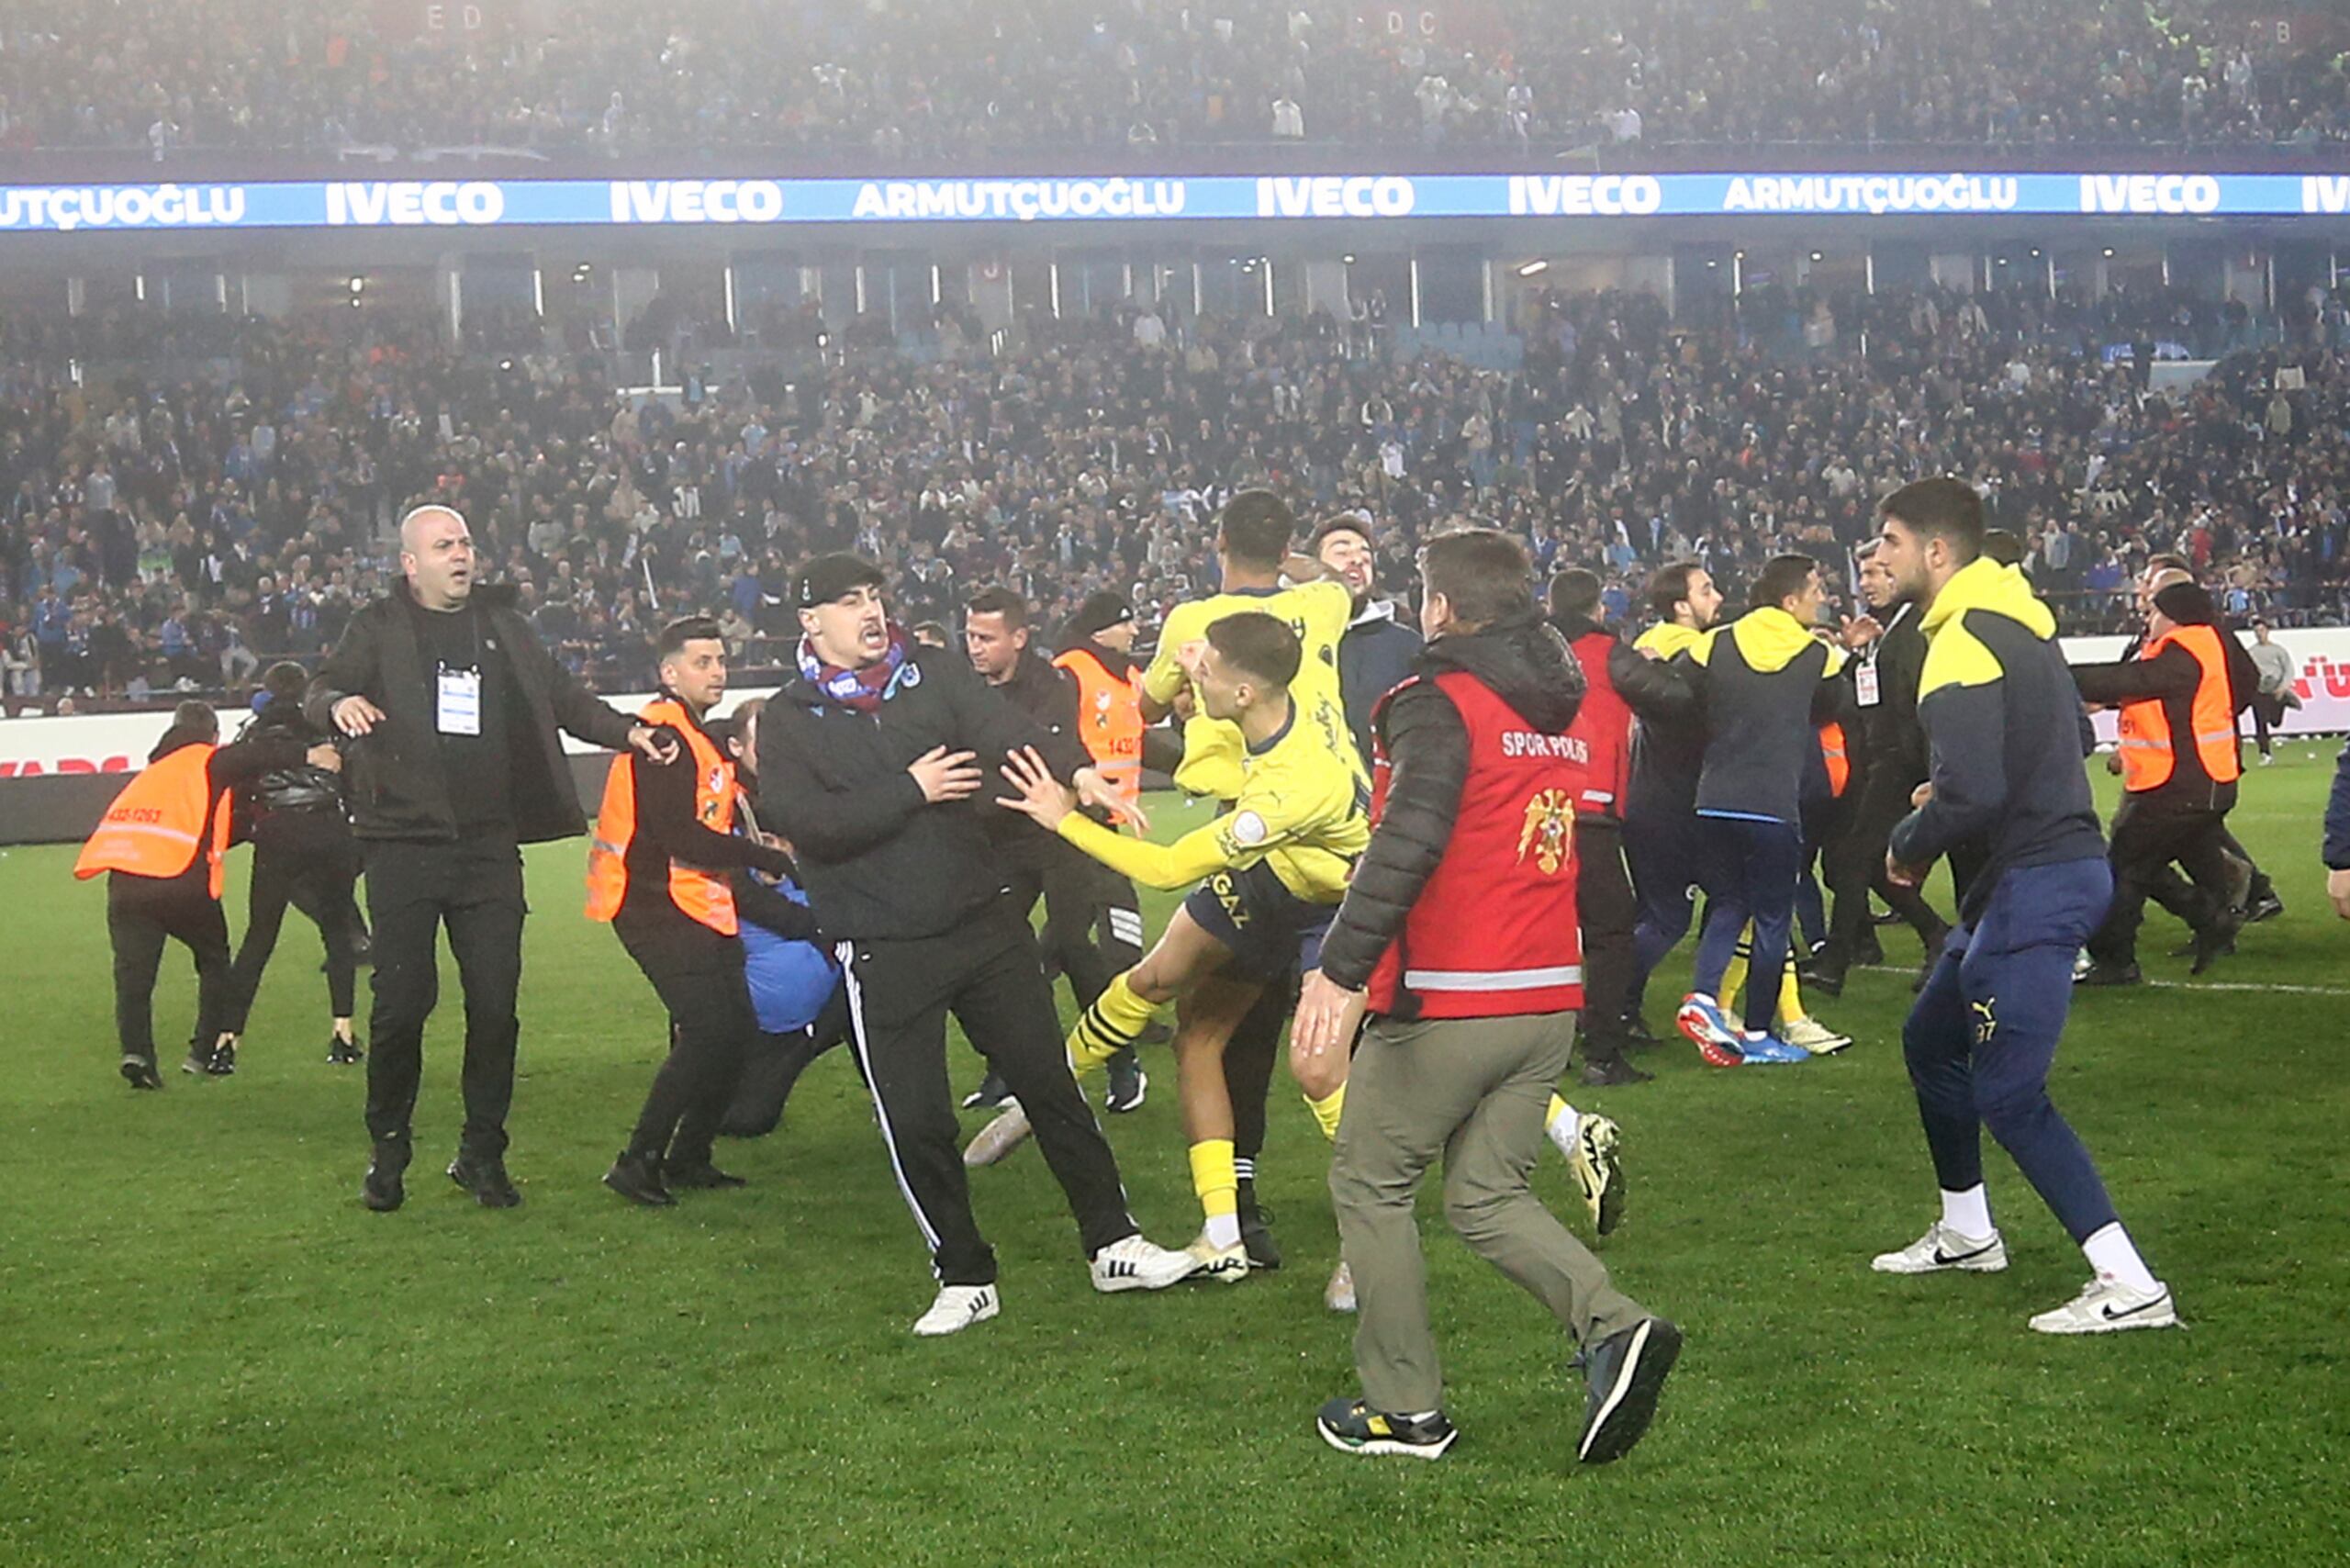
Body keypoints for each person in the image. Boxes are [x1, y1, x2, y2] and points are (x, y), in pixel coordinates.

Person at [1292, 528, 1680, 1463]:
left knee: (1368, 1181)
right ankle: (1614, 1326)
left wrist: (1339, 970)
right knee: (1482, 1194)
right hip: (1548, 990)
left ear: (1441, 606)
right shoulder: (1553, 701)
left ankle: (1402, 1407)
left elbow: (1406, 839)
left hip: (1457, 991)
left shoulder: (1436, 701)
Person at [756, 553, 1197, 1335]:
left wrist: (1080, 773)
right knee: (919, 1120)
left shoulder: (929, 673)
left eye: (874, 595)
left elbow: (1011, 732)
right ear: (809, 621)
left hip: (985, 924)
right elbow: (806, 825)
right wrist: (910, 791)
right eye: (848, 601)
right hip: (886, 947)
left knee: (1053, 1090)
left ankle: (1113, 1243)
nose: (868, 611)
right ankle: (964, 1275)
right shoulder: (790, 718)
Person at [308, 504, 678, 1214]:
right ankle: (388, 1151)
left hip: (486, 846)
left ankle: (481, 1153)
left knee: (496, 1005)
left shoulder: (503, 624)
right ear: (410, 563)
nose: (461, 555)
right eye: (444, 545)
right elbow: (322, 688)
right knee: (400, 1007)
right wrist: (339, 704)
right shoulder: (377, 626)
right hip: (402, 844)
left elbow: (565, 696)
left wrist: (627, 732)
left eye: (466, 543)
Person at [1873, 476, 2177, 1335]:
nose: (1876, 558)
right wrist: (1958, 790)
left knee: (2008, 1092)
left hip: (2035, 881)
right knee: (1931, 1037)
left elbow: (1969, 796)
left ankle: (2131, 1285)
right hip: (2033, 873)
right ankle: (1968, 1231)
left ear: (1937, 551)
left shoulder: (1960, 639)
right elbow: (2042, 754)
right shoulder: (2017, 622)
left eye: (1888, 541)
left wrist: (1907, 838)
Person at [992, 610, 1370, 1281]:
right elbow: (1183, 669)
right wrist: (1190, 655)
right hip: (1276, 873)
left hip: (1338, 900)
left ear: (1244, 694)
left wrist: (1063, 819)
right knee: (1158, 982)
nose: (1197, 676)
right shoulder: (1297, 678)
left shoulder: (1287, 793)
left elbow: (1166, 870)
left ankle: (1369, 1241)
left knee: (1316, 1071)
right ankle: (1051, 1095)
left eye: (1210, 673)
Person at [591, 617, 799, 1206]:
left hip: (693, 902)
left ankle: (688, 1156)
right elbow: (681, 837)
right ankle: (638, 1160)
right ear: (669, 672)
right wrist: (763, 856)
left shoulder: (695, 735)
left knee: (732, 1031)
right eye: (703, 662)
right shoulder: (665, 737)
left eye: (721, 661)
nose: (717, 672)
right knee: (711, 1031)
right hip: (651, 903)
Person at [959, 587, 1146, 1114]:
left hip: (1058, 833)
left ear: (1019, 638)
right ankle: (1005, 1067)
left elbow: (1050, 750)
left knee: (1069, 944)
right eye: (970, 635)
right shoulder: (962, 687)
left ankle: (1120, 1059)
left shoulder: (1052, 683)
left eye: (986, 638)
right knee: (991, 956)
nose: (975, 647)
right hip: (997, 839)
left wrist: (1074, 775)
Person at [1672, 555, 1851, 1067]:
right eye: (1816, 588)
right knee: (1774, 920)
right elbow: (1829, 710)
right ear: (1790, 600)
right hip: (1773, 803)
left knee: (1728, 903)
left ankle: (1704, 999)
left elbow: (1682, 693)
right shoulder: (1818, 655)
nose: (1822, 596)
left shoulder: (1716, 643)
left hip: (1713, 799)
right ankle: (1756, 1033)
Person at [75, 700, 310, 1088]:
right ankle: (202, 1052)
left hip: (125, 883)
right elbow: (259, 756)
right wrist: (308, 753)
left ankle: (138, 1054)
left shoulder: (153, 772)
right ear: (213, 735)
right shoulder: (206, 760)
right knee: (214, 962)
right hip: (179, 878)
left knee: (133, 977)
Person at [1546, 566, 1695, 1085]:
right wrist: (1670, 664)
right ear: (1599, 609)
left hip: (1537, 806)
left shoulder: (1533, 652)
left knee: (1547, 928)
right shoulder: (1606, 653)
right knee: (1611, 928)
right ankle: (1603, 1051)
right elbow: (1675, 697)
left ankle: (1547, 1043)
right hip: (1591, 808)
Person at [2072, 579, 2247, 982]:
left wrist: (2054, 674)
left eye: (2153, 612)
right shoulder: (2200, 645)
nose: (2147, 619)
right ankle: (2215, 912)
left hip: (2177, 784)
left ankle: (2116, 960)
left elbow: (2134, 681)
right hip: (2200, 781)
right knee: (2145, 864)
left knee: (2124, 868)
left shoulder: (2184, 650)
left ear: (2172, 615)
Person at [1805, 543, 1952, 995]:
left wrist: (1928, 774)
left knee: (1853, 860)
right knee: (1863, 864)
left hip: (1899, 769)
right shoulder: (1890, 631)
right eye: (1863, 574)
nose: (1867, 582)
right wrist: (1856, 656)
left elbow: (1917, 707)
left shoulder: (1910, 633)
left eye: (1877, 572)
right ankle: (1935, 937)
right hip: (1883, 765)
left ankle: (1836, 963)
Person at [214, 661, 368, 1070]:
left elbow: (232, 775)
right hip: (328, 827)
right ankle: (343, 1032)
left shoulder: (255, 734)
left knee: (259, 937)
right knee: (338, 933)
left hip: (277, 831)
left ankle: (227, 1040)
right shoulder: (324, 728)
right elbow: (352, 774)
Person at [711, 698, 848, 1140]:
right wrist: (821, 925)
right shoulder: (726, 806)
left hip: (796, 964)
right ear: (736, 747)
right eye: (764, 743)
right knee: (748, 1119)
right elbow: (745, 894)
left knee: (871, 976)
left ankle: (896, 1105)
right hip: (759, 976)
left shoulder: (797, 797)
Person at [1621, 562, 1722, 1040]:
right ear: (1682, 606)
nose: (1717, 598)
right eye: (1706, 590)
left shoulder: (1650, 644)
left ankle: (1620, 1010)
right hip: (1675, 804)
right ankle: (1608, 1005)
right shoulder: (1695, 651)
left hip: (1643, 796)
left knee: (1651, 914)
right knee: (1673, 916)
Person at [1314, 513, 1422, 767]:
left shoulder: (1406, 646)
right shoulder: (1294, 641)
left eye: (1365, 555)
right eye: (1341, 552)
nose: (1356, 559)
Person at [2244, 621, 2294, 765]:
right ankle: (2265, 753)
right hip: (2259, 690)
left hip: (2275, 688)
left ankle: (2283, 703)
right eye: (2257, 631)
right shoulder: (2251, 652)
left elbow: (2288, 669)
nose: (2259, 634)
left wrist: (2283, 687)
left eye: (2262, 630)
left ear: (2267, 631)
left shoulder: (2278, 651)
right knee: (2260, 722)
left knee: (2275, 722)